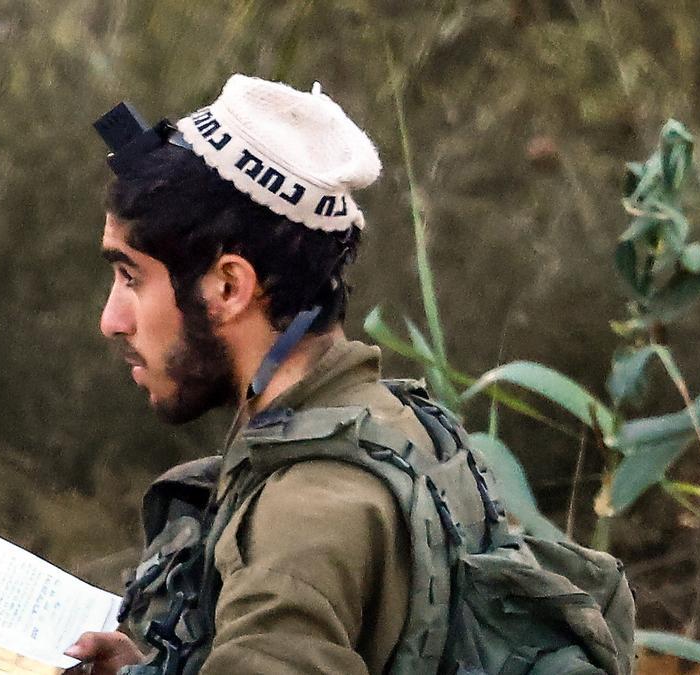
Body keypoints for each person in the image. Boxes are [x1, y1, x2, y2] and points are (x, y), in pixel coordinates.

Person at [66, 74, 471, 675]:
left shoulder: (305, 515)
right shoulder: (398, 425)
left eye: (131, 277)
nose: (111, 320)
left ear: (229, 287)